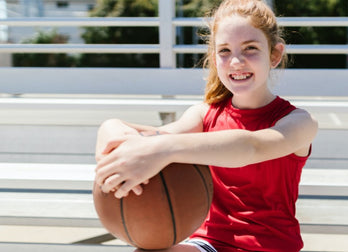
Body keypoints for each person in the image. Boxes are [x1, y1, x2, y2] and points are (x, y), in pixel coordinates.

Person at [94, 0, 318, 251]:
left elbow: (251, 147)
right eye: (224, 51)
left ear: (275, 55)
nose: (236, 61)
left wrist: (164, 148)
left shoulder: (299, 122)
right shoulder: (203, 114)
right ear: (214, 58)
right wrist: (110, 129)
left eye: (250, 48)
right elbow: (141, 135)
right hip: (208, 243)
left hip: (271, 246)